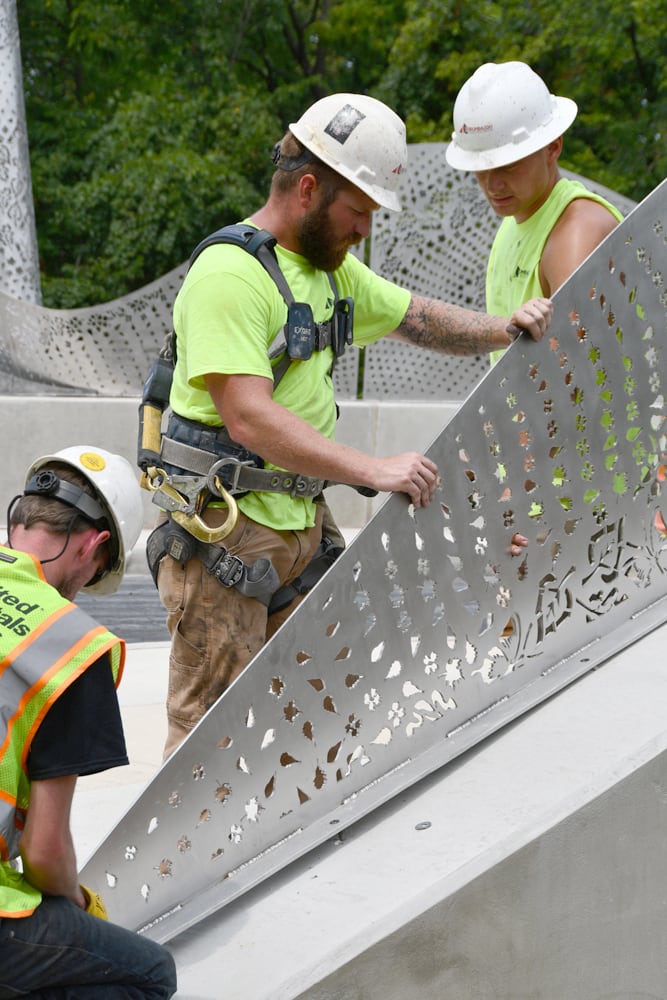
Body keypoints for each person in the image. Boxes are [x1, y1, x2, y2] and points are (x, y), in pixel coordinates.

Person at [145, 92, 553, 759]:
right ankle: (177, 869)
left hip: (297, 525)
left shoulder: (328, 273)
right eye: (357, 211)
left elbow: (417, 318)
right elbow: (246, 415)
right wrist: (372, 470)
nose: (364, 228)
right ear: (308, 189)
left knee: (326, 713)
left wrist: (505, 330)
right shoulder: (231, 275)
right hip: (225, 535)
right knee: (207, 749)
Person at [0, 446, 177, 999]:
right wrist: (80, 908)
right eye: (95, 575)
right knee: (149, 976)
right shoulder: (72, 647)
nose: (80, 591)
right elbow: (45, 853)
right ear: (95, 544)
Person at [445, 61, 623, 365]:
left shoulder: (576, 230)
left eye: (509, 165)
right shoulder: (516, 220)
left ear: (553, 147)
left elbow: (574, 372)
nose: (492, 184)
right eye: (481, 168)